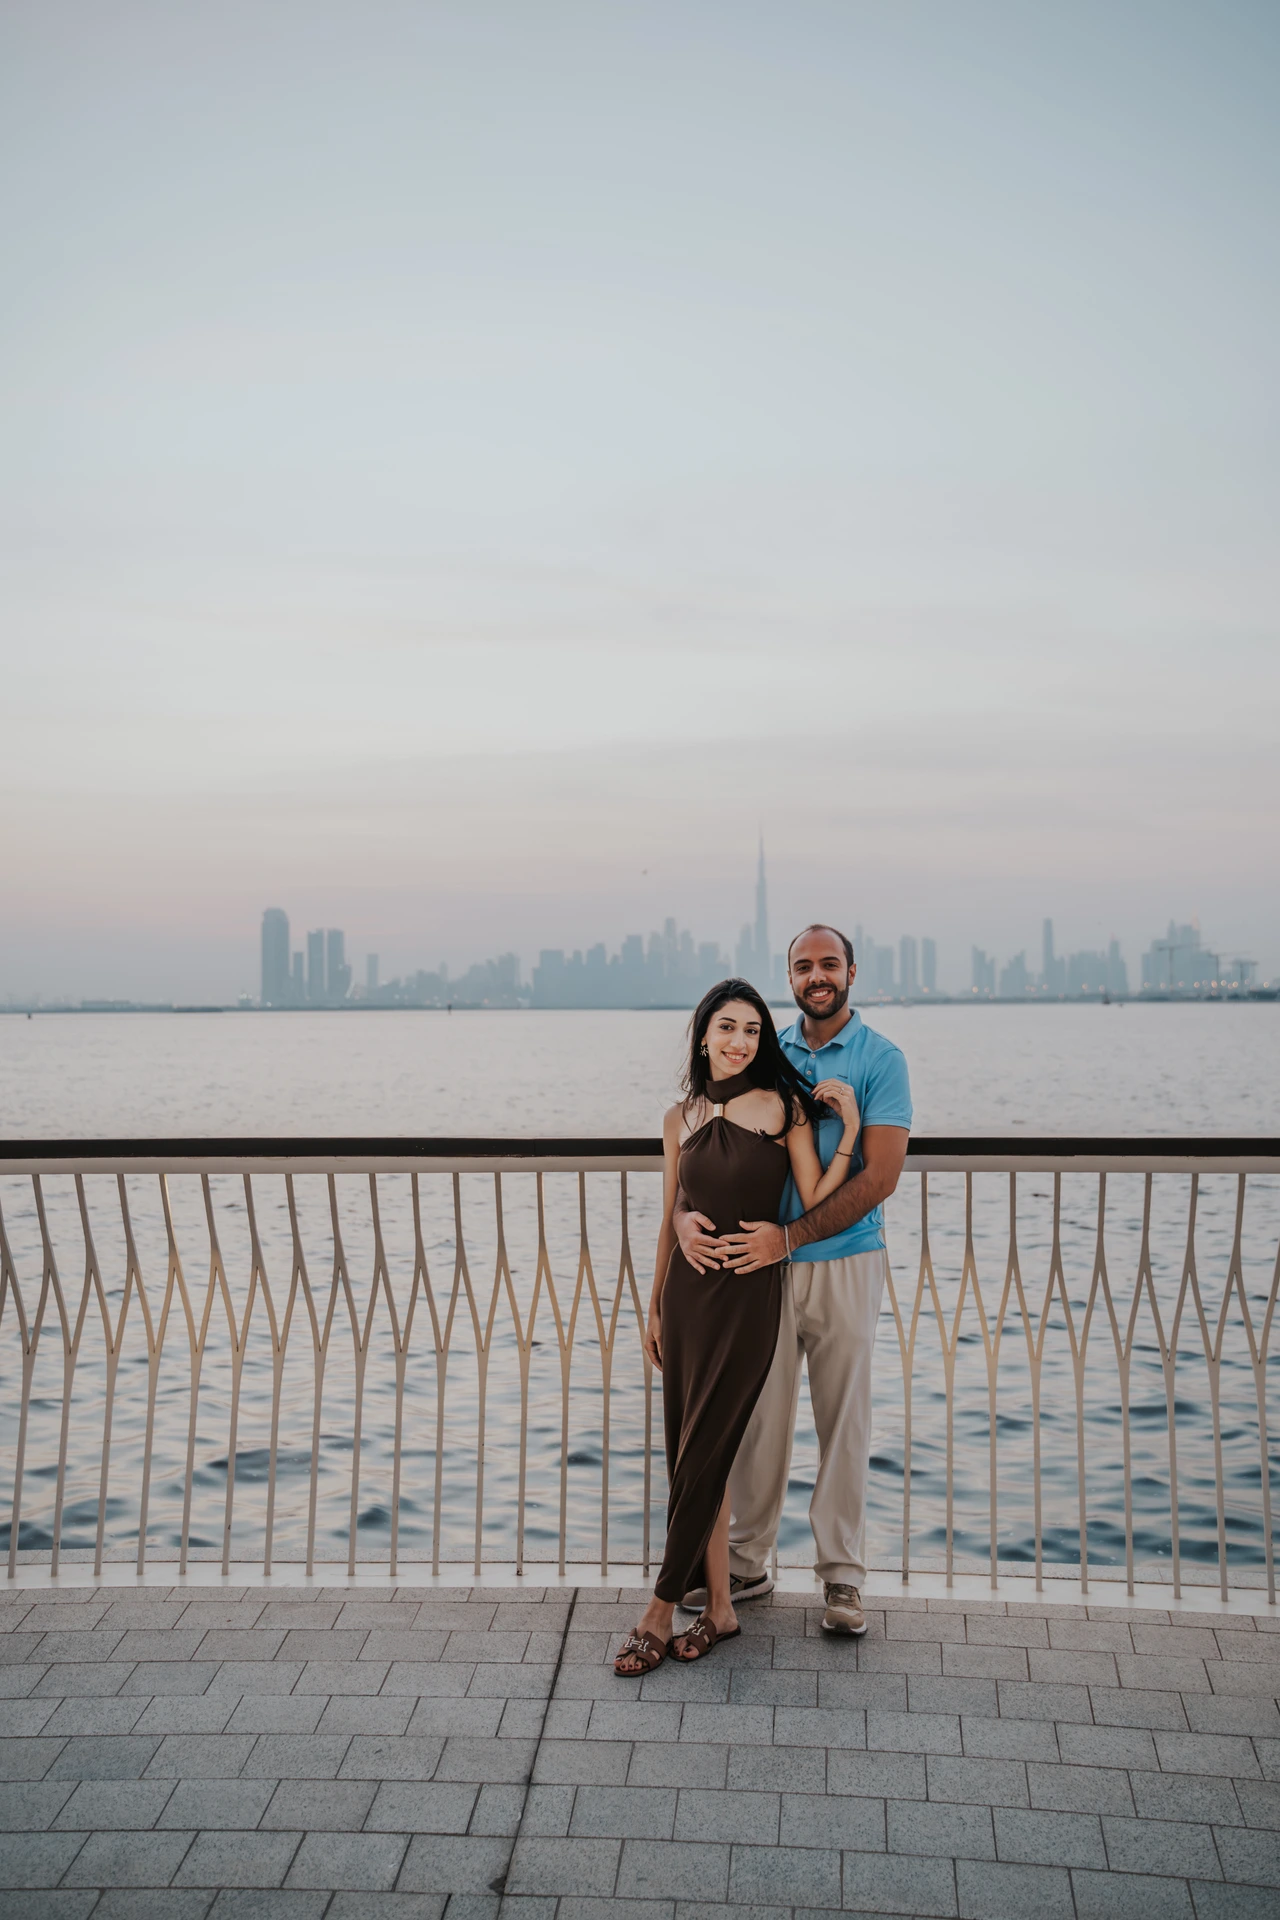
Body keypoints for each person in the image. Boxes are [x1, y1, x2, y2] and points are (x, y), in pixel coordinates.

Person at [613, 977, 864, 1676]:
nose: (740, 1041)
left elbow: (813, 1197)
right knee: (696, 1454)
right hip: (688, 1300)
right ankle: (720, 1609)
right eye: (727, 1027)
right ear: (703, 1035)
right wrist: (654, 1306)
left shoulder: (784, 1107)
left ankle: (659, 1610)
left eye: (752, 1030)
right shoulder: (679, 1116)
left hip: (750, 1296)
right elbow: (670, 1212)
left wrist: (848, 1130)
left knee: (706, 1451)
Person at [675, 925, 912, 1636]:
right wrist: (683, 1216)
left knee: (844, 1421)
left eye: (829, 964)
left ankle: (842, 1577)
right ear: (790, 977)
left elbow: (881, 1177)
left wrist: (792, 1237)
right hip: (761, 1270)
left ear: (851, 972)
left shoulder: (881, 1060)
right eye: (803, 966)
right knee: (758, 1420)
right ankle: (747, 1562)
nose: (817, 976)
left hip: (844, 1262)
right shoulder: (769, 1051)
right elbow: (709, 1146)